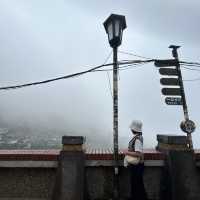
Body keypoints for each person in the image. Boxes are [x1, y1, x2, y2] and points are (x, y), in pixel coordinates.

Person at [123, 120, 147, 200]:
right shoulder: (139, 137)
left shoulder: (137, 139)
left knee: (137, 184)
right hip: (138, 165)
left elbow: (138, 154)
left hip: (137, 165)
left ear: (134, 129)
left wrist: (127, 152)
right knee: (137, 184)